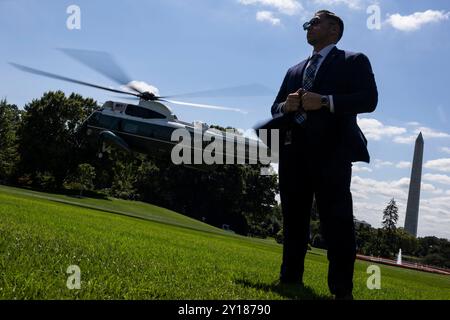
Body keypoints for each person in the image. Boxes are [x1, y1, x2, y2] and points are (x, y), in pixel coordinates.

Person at [270, 10, 378, 299]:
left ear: (334, 30)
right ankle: (289, 279)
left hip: (332, 152)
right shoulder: (294, 70)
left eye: (314, 22)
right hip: (293, 152)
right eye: (308, 23)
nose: (308, 27)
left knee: (337, 222)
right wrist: (286, 107)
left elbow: (369, 100)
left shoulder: (353, 61)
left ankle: (341, 291)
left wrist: (326, 101)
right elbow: (274, 108)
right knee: (293, 219)